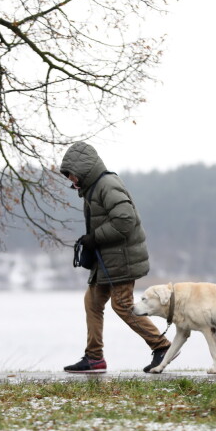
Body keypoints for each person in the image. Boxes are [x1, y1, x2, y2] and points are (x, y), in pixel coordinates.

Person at [59, 141, 172, 373]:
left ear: (83, 169)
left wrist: (94, 237)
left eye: (71, 174)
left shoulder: (107, 185)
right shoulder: (92, 189)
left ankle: (162, 346)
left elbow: (125, 221)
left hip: (122, 259)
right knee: (92, 302)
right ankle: (94, 358)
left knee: (121, 305)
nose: (71, 179)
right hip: (106, 260)